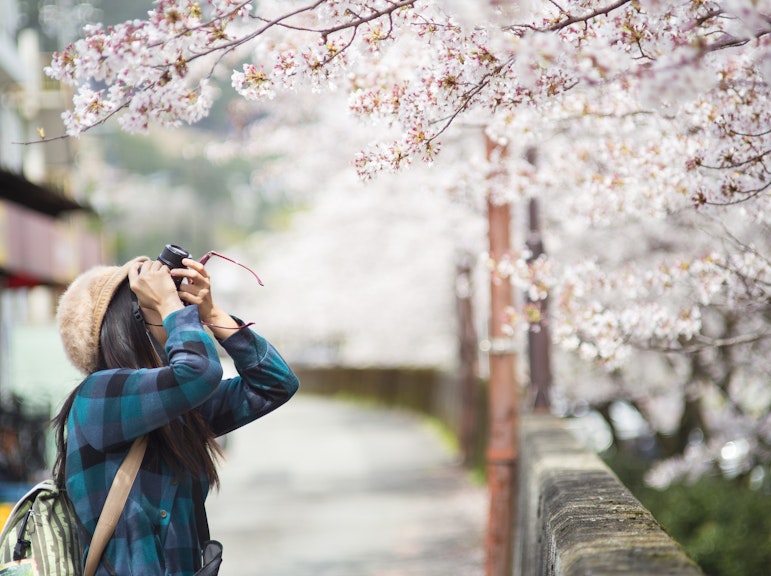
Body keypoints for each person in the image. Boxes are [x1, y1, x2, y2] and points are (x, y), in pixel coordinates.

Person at [52, 254, 299, 575]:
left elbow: (275, 384)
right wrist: (172, 306)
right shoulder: (99, 395)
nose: (178, 315)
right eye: (159, 306)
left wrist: (211, 312)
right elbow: (199, 372)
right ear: (129, 325)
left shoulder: (175, 409)